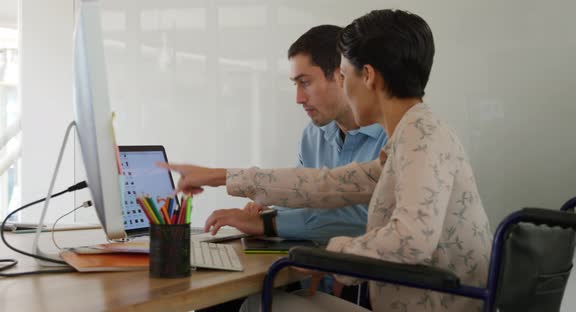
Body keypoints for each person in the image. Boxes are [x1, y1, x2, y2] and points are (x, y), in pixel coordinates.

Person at [162, 9, 492, 312]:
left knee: (258, 305)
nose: (344, 90)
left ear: (369, 77)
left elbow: (411, 240)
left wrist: (326, 256)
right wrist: (221, 176)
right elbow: (326, 185)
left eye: (345, 77)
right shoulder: (413, 135)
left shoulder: (421, 137)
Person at [205, 25, 387, 244]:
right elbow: (304, 194)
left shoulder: (393, 137)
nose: (298, 98)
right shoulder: (313, 134)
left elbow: (366, 220)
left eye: (305, 82)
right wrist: (272, 204)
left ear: (341, 76)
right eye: (296, 84)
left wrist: (268, 223)